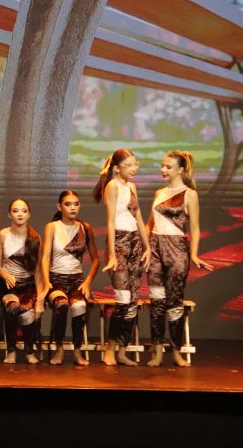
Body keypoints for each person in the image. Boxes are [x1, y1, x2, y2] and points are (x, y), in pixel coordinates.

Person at [146, 151, 213, 367]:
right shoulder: (159, 193)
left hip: (176, 250)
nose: (163, 170)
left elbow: (195, 227)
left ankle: (176, 351)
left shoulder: (189, 194)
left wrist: (194, 254)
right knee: (156, 302)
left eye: (168, 167)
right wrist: (145, 248)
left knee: (174, 302)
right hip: (155, 248)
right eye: (162, 166)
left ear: (181, 170)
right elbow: (149, 224)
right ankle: (157, 352)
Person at [92, 149, 150, 366]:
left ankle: (122, 351)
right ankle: (110, 347)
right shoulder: (113, 186)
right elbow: (110, 221)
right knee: (123, 300)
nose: (134, 169)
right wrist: (112, 254)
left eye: (136, 164)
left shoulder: (131, 187)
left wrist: (147, 246)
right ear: (117, 168)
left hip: (135, 242)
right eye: (129, 165)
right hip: (119, 242)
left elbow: (139, 217)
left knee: (133, 302)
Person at [40, 191, 100, 366]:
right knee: (61, 305)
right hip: (56, 279)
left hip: (77, 280)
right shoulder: (52, 227)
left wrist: (88, 281)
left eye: (76, 204)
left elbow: (96, 260)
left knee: (79, 307)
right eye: (68, 204)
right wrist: (46, 281)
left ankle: (77, 350)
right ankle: (59, 349)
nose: (73, 208)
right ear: (59, 207)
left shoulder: (84, 227)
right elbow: (45, 257)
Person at [0, 199, 41, 364]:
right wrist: (4, 274)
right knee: (13, 308)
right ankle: (11, 351)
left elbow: (38, 271)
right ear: (9, 214)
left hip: (28, 285)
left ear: (29, 214)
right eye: (15, 211)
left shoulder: (35, 238)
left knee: (28, 315)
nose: (20, 214)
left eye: (24, 211)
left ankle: (29, 352)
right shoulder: (3, 234)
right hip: (8, 285)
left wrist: (39, 299)